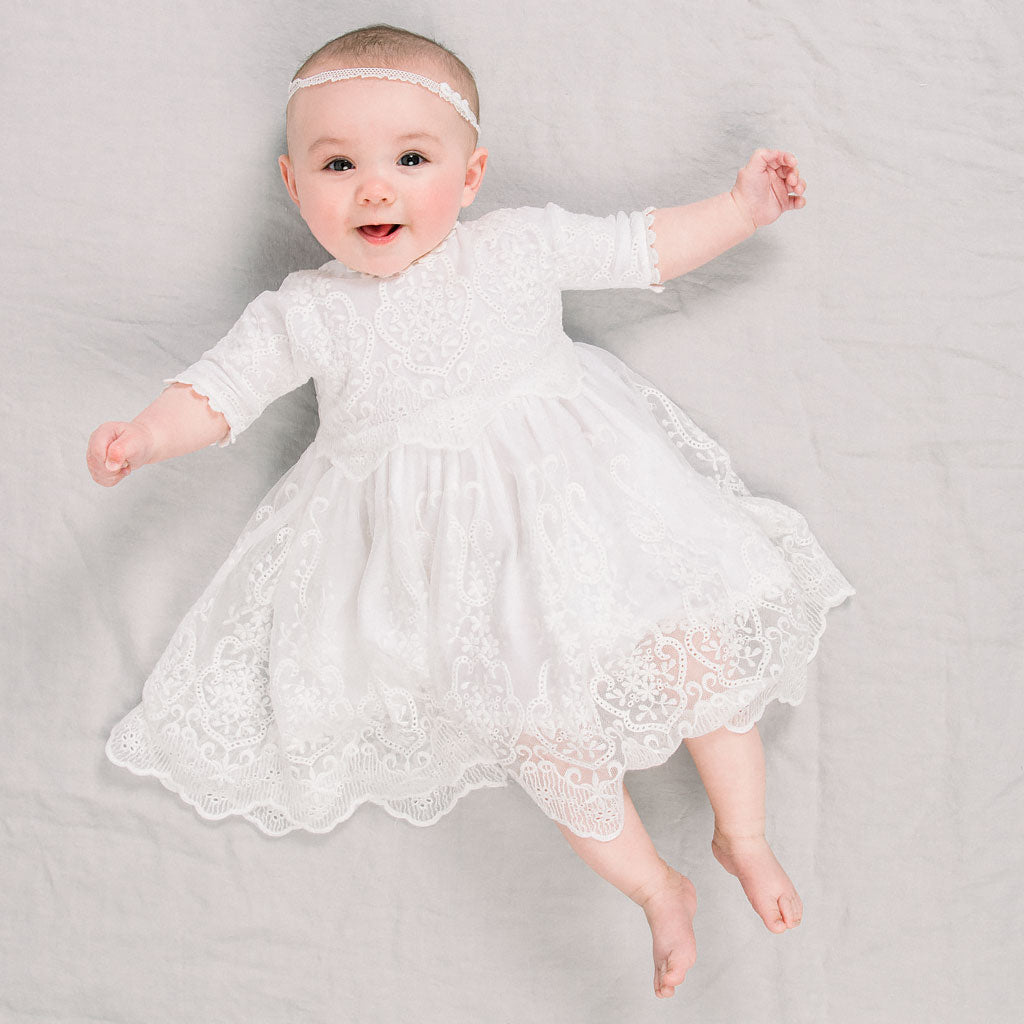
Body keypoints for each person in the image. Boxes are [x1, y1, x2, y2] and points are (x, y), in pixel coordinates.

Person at [86, 24, 855, 999]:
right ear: (294, 186)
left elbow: (641, 246)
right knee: (550, 751)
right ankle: (657, 888)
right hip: (461, 583)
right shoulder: (307, 312)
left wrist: (741, 208)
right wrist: (147, 434)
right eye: (339, 164)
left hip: (593, 521)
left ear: (471, 172)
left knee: (700, 658)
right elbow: (220, 390)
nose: (375, 187)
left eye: (411, 158)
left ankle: (741, 835)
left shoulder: (518, 248)